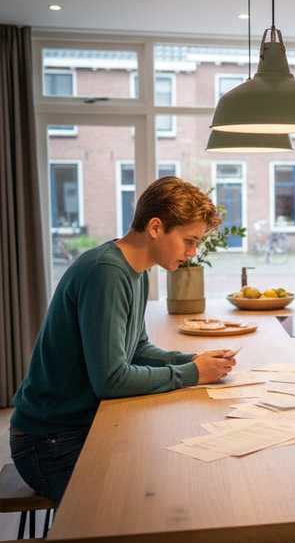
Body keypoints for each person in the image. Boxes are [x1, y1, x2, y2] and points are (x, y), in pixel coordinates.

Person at [9, 176, 236, 504]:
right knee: (145, 501)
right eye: (189, 240)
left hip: (74, 429)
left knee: (171, 476)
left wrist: (193, 361)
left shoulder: (135, 270)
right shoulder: (107, 273)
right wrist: (195, 374)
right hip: (50, 442)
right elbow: (112, 380)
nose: (193, 252)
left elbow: (138, 349)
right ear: (156, 228)